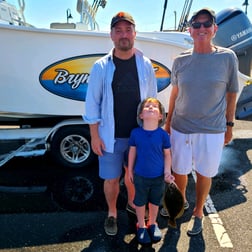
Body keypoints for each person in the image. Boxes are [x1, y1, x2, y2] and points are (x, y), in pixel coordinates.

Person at [162, 8, 239, 236]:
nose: (202, 28)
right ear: (190, 30)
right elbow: (174, 94)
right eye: (197, 25)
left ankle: (198, 212)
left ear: (214, 29)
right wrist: (167, 124)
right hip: (180, 127)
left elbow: (232, 93)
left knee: (205, 173)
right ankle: (181, 203)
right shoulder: (180, 61)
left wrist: (229, 125)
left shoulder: (227, 58)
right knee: (179, 172)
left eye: (207, 24)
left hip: (212, 129)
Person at [83, 12, 157, 236]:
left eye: (128, 30)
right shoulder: (100, 67)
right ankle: (112, 213)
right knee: (111, 179)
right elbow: (92, 104)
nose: (123, 35)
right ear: (111, 35)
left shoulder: (145, 64)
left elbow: (152, 102)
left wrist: (152, 135)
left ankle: (136, 209)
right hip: (109, 136)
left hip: (139, 135)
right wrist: (95, 136)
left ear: (134, 34)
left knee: (136, 176)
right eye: (119, 30)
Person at [128, 97, 174, 244]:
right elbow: (132, 152)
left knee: (155, 202)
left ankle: (152, 223)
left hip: (158, 177)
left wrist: (167, 172)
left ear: (160, 116)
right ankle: (141, 225)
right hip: (140, 176)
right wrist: (129, 170)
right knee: (140, 202)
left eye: (154, 107)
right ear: (141, 115)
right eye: (147, 106)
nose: (150, 108)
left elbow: (167, 155)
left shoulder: (163, 135)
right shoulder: (135, 133)